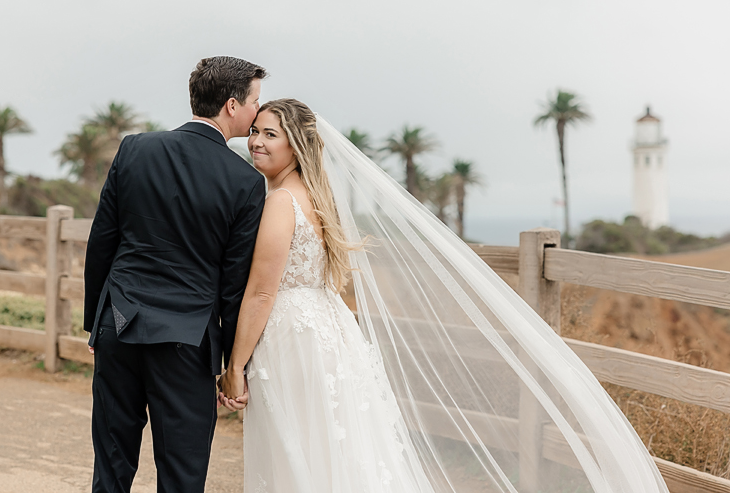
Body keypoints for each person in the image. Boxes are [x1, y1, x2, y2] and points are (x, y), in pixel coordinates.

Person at [218, 99, 669, 492]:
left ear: (295, 144)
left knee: (300, 446)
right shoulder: (316, 196)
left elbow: (261, 293)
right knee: (332, 446)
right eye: (255, 131)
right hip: (328, 328)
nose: (256, 141)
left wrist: (234, 367)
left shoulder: (280, 202)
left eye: (270, 134)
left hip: (293, 336)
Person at [84, 56, 267, 493]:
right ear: (230, 105)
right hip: (186, 342)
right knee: (182, 476)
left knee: (110, 466)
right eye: (255, 102)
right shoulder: (245, 181)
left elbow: (101, 243)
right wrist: (230, 363)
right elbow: (233, 284)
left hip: (119, 326)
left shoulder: (134, 148)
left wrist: (96, 324)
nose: (258, 111)